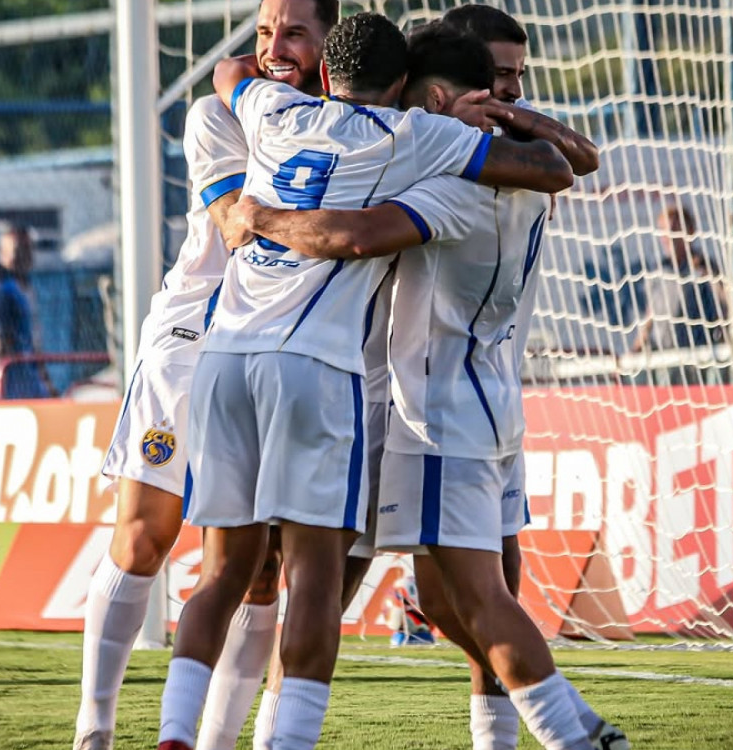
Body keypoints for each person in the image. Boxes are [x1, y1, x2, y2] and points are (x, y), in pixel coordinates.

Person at [158, 13, 574, 750]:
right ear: (404, 84)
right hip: (316, 367)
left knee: (222, 576)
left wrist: (253, 209)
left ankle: (174, 735)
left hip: (222, 357)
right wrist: (489, 119)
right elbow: (554, 168)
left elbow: (229, 74)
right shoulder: (415, 135)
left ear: (325, 72)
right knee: (318, 584)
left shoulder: (272, 108)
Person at [72, 3, 340, 749]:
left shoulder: (353, 122)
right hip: (191, 341)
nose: (275, 48)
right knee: (143, 538)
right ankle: (93, 730)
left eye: (294, 33)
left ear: (330, 42)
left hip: (279, 356)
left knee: (259, 570)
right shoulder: (217, 114)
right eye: (265, 32)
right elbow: (234, 226)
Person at [630, 203, 729, 383]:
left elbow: (725, 305)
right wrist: (636, 347)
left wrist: (710, 274)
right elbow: (650, 315)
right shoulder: (658, 272)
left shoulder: (704, 268)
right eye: (664, 231)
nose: (669, 237)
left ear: (689, 232)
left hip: (697, 360)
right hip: (665, 362)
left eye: (674, 229)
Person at [0, 225, 52, 399]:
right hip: (13, 377)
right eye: (16, 251)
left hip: (31, 372)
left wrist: (43, 375)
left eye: (27, 250)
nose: (23, 257)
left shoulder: (30, 289)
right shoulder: (5, 291)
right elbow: (1, 339)